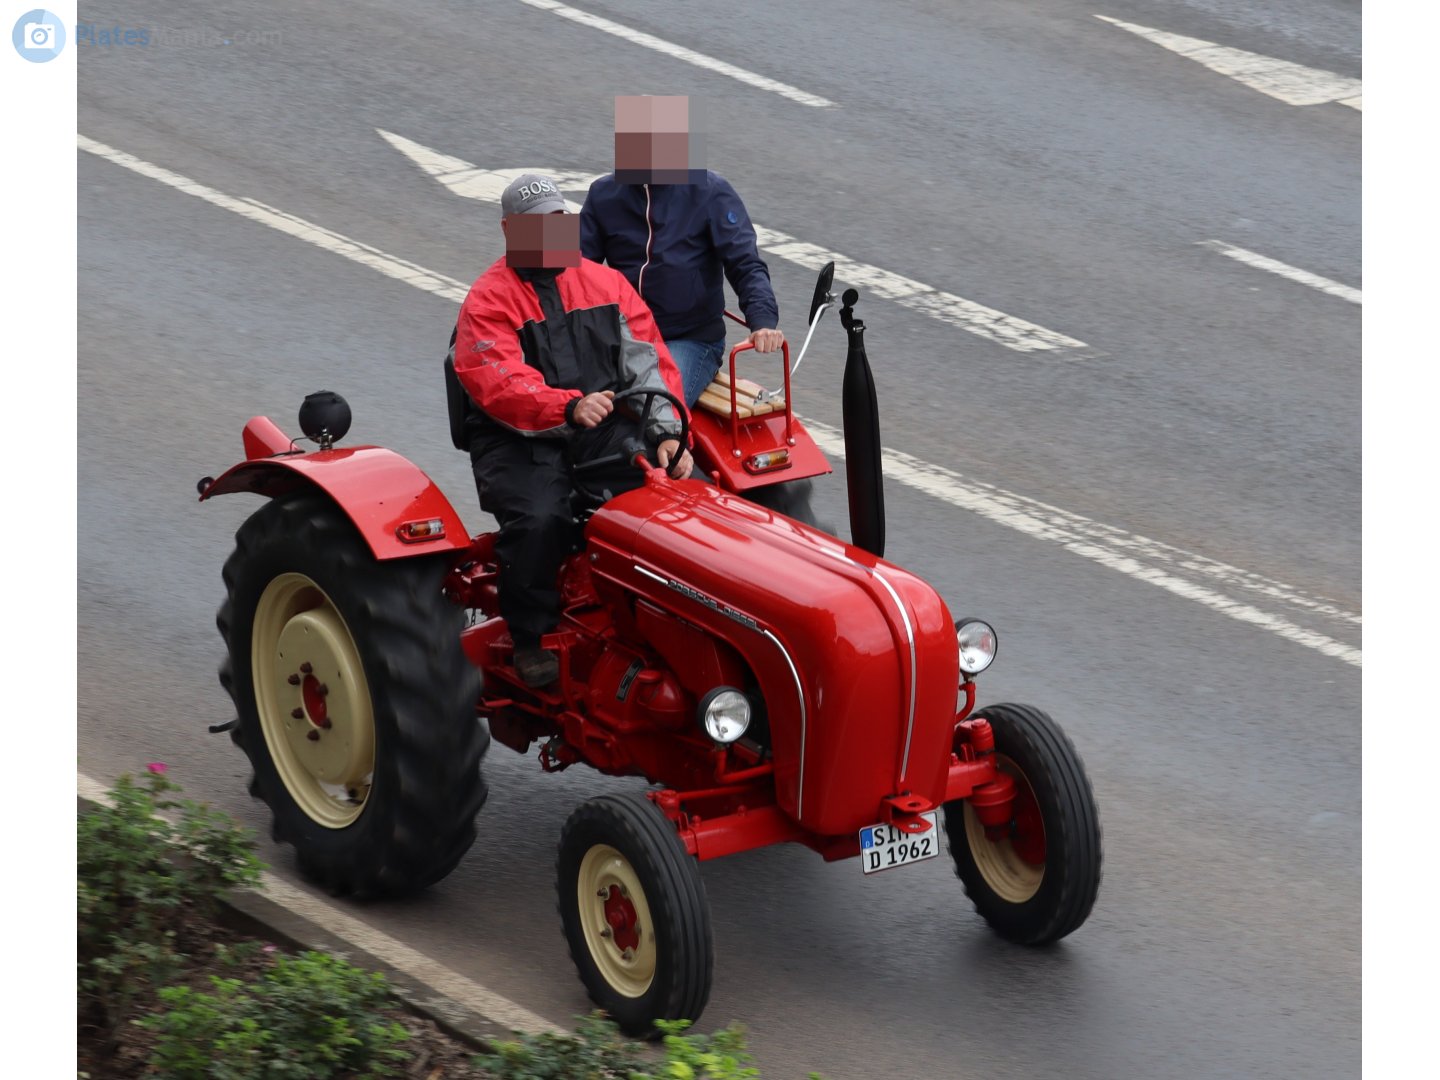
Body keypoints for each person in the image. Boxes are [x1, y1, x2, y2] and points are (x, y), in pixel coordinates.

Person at [452, 172, 692, 688]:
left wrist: (668, 433)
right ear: (510, 230)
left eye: (559, 220)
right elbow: (498, 383)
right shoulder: (488, 300)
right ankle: (530, 637)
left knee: (680, 496)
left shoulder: (607, 284)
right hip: (515, 436)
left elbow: (646, 362)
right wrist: (566, 407)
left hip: (597, 420)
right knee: (540, 520)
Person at [580, 95, 785, 407]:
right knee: (562, 388)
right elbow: (573, 269)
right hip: (621, 334)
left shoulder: (711, 191)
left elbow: (745, 263)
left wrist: (763, 321)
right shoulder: (603, 194)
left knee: (656, 408)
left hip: (688, 339)